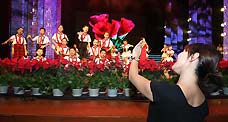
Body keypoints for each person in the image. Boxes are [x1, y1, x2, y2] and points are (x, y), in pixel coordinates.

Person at [129, 43, 223, 122]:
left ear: (194, 57)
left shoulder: (166, 92)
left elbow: (133, 77)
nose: (178, 55)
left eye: (184, 51)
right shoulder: (203, 101)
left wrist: (135, 55)